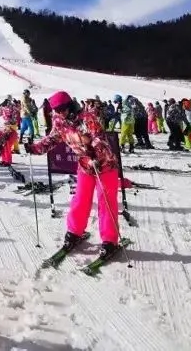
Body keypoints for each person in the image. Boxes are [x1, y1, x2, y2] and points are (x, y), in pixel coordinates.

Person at [26, 90, 122, 260]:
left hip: (105, 164)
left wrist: (95, 153)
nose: (60, 113)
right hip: (85, 166)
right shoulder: (59, 121)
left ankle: (109, 240)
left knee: (106, 201)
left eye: (63, 109)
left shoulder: (87, 118)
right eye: (57, 110)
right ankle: (75, 231)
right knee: (80, 199)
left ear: (70, 105)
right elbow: (52, 139)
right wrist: (35, 148)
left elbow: (98, 137)